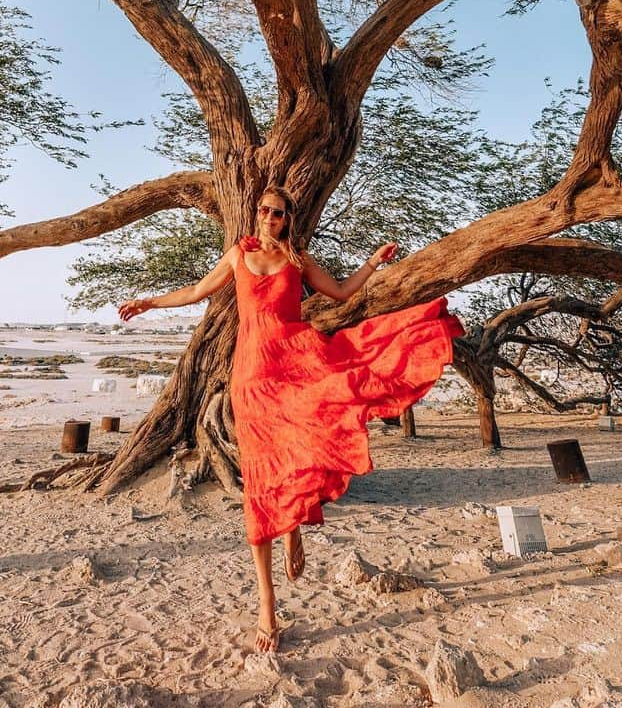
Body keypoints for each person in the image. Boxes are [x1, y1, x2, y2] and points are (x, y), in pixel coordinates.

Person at [118, 186, 464, 653]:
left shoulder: (298, 260)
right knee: (260, 478)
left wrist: (373, 262)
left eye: (277, 213)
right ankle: (267, 605)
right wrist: (149, 303)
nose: (269, 217)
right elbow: (198, 290)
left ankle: (293, 526)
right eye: (263, 210)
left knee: (308, 441)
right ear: (255, 213)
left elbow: (341, 294)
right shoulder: (237, 255)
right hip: (251, 377)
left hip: (296, 366)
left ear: (287, 219)